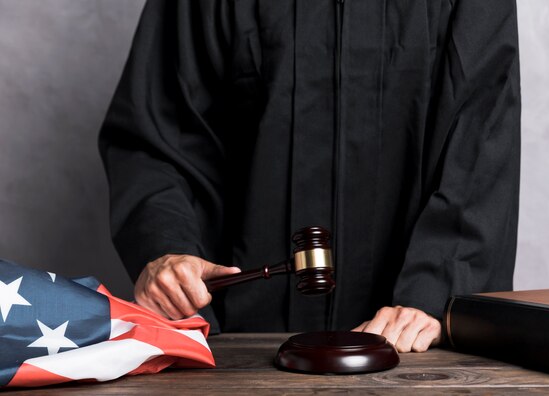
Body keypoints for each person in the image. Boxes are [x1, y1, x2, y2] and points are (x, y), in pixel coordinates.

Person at [99, 0, 520, 353]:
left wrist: (433, 295)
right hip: (237, 347)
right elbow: (157, 138)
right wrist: (169, 252)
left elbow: (482, 138)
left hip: (410, 346)